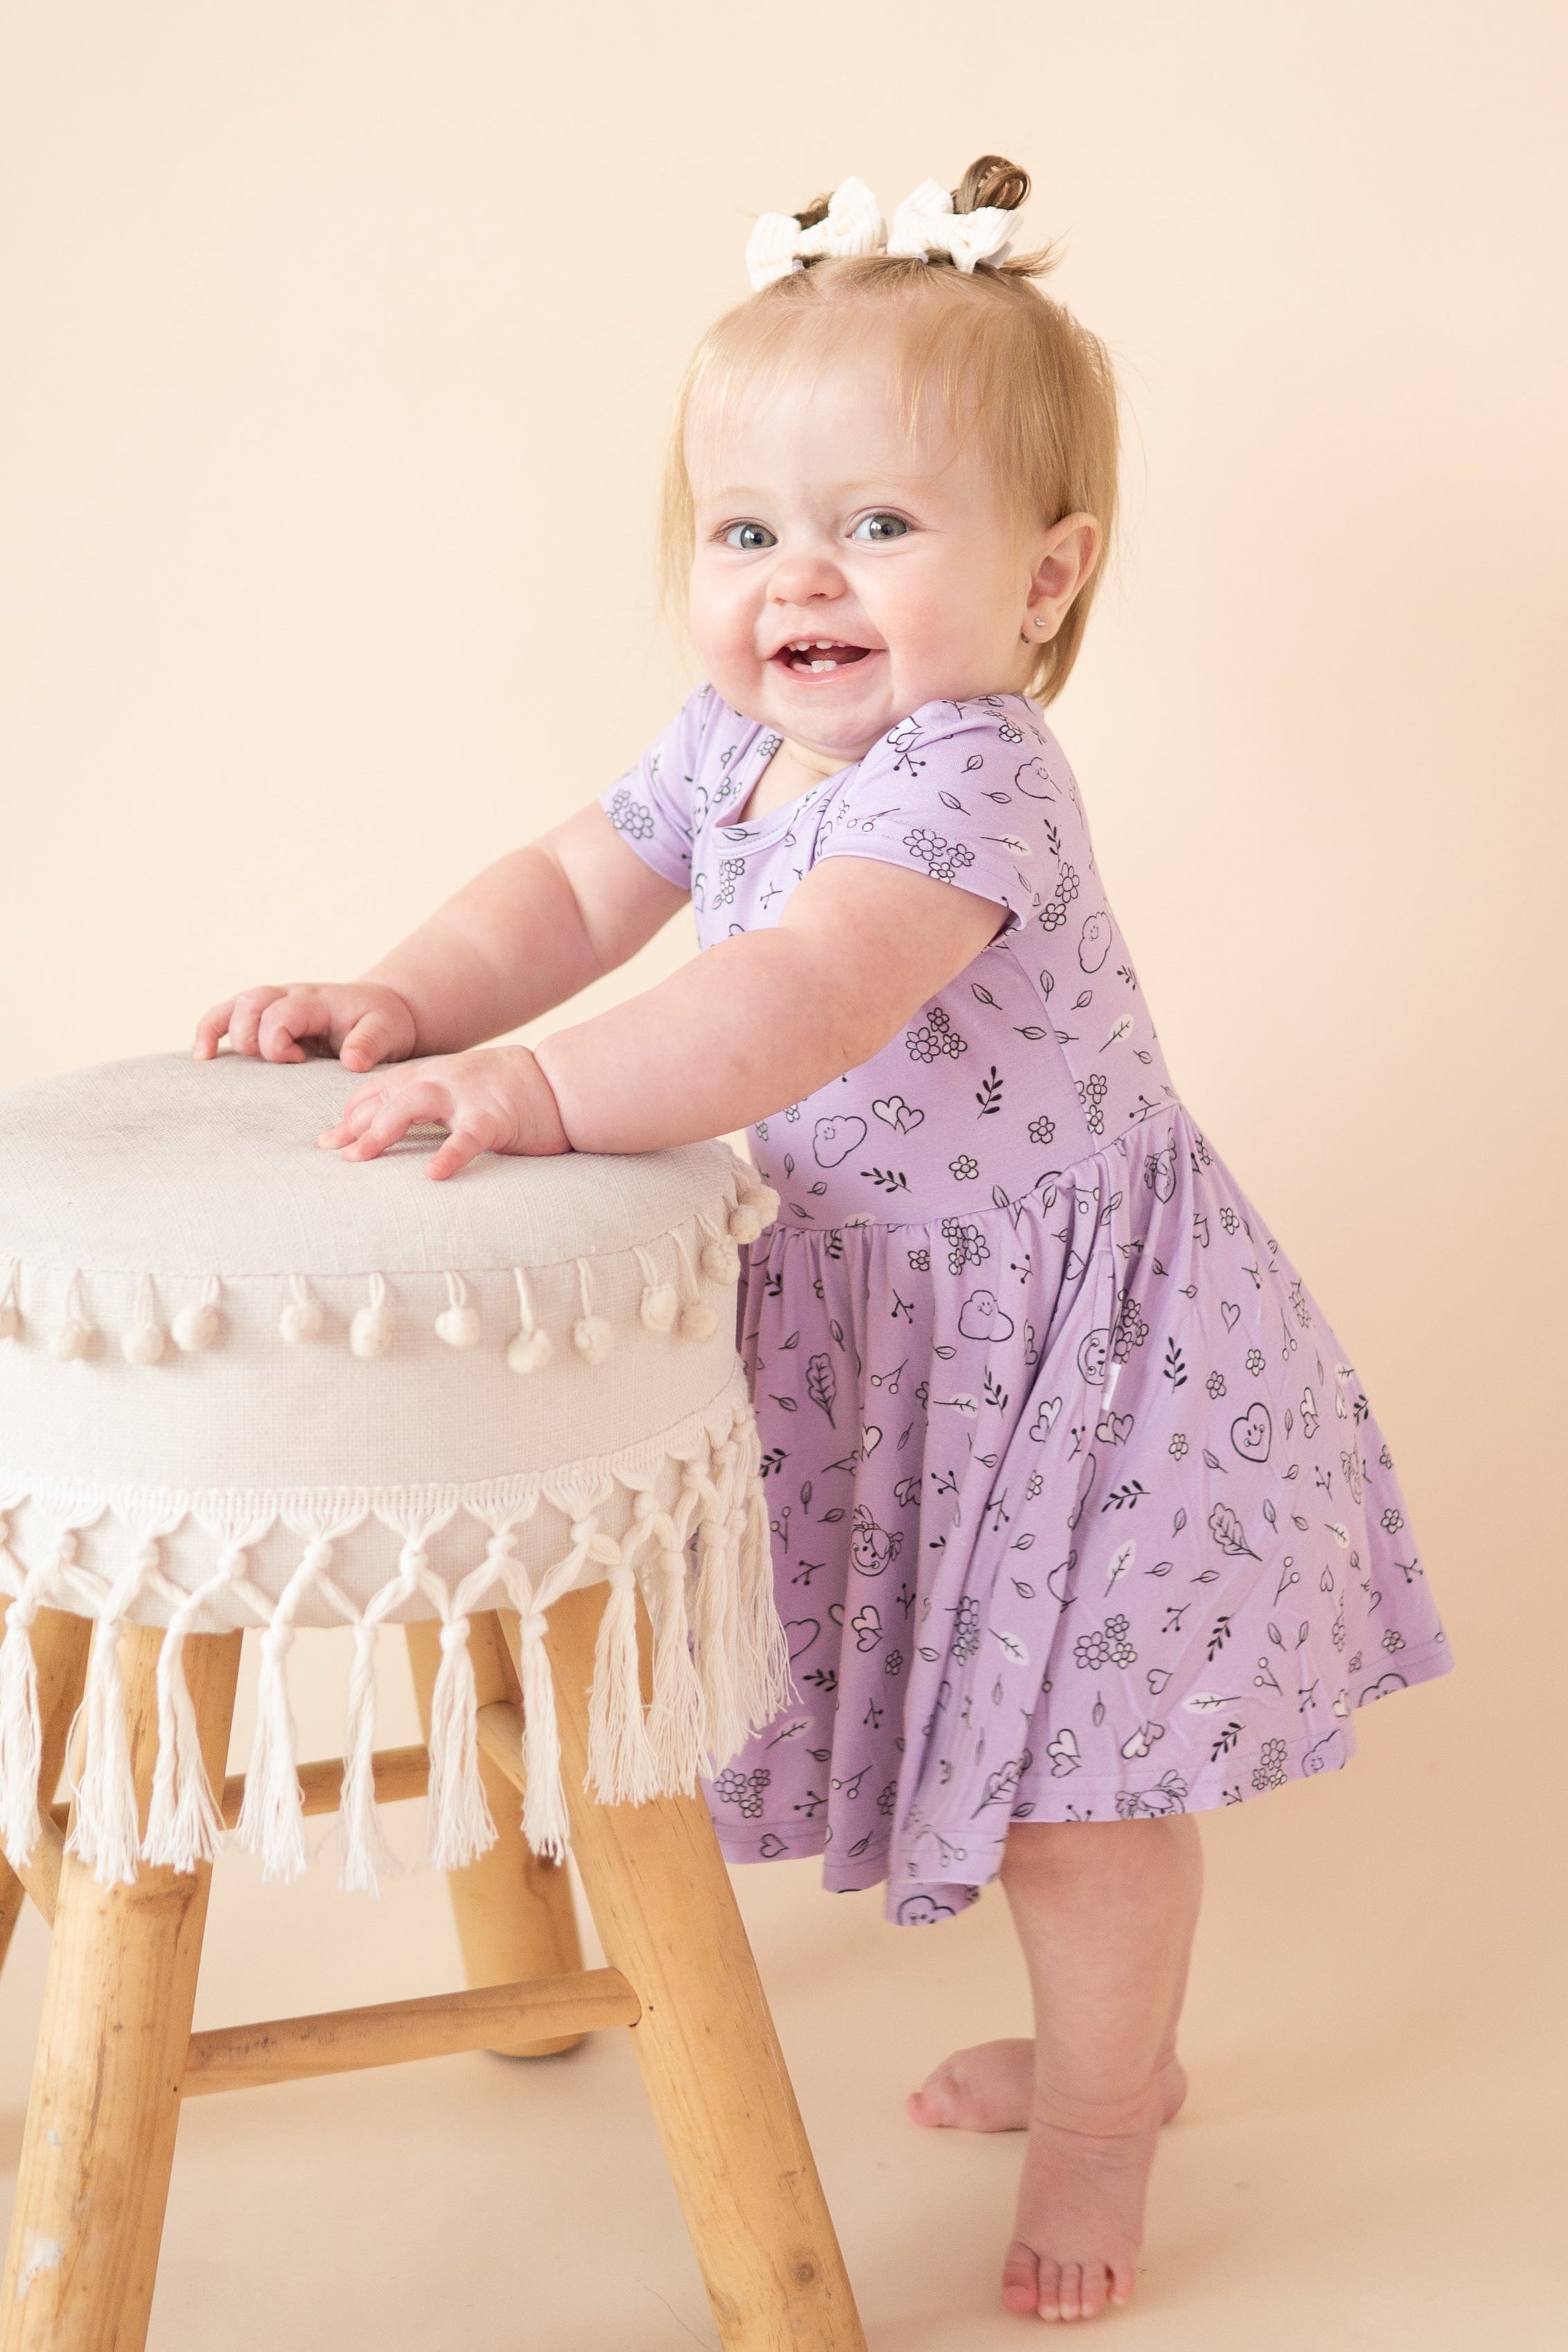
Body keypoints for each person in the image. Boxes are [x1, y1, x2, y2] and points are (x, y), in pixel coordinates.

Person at [194, 156, 1452, 2326]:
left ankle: (1100, 2108)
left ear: (1043, 578)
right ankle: (1096, 2051)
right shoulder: (735, 747)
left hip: (1084, 1357)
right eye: (747, 527)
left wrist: (537, 1092)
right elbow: (572, 888)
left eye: (881, 523)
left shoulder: (967, 778)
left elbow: (802, 1000)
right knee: (968, 1725)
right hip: (894, 1335)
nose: (806, 575)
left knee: (1075, 1790)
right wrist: (416, 998)